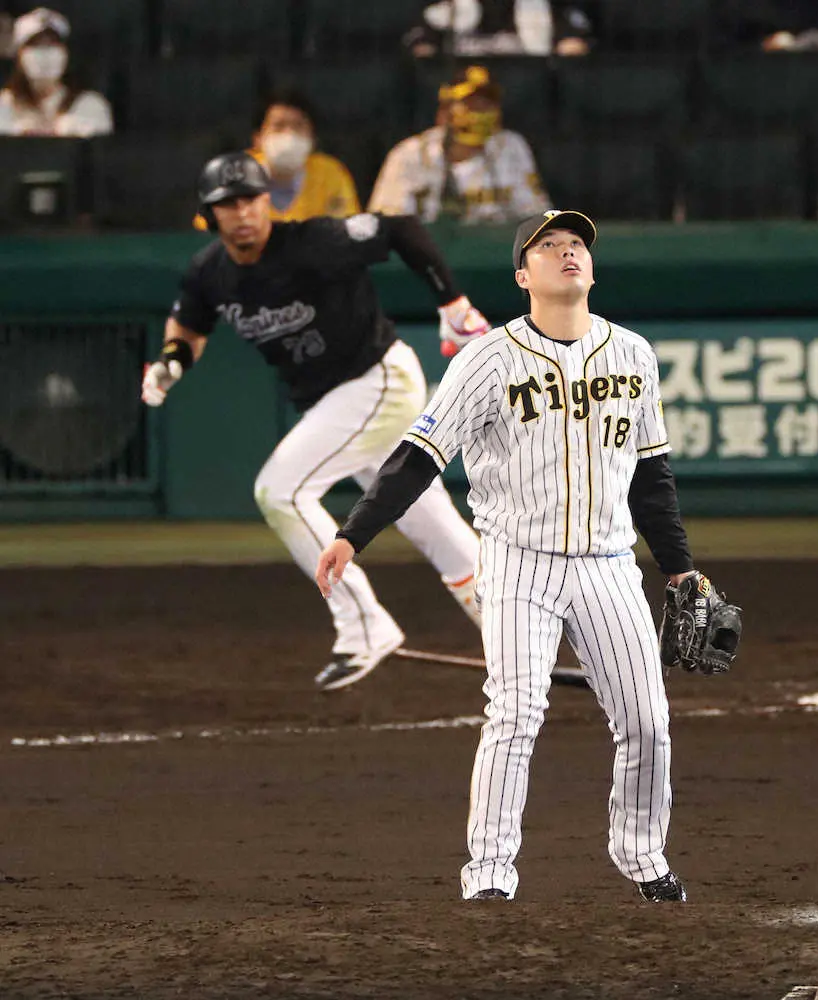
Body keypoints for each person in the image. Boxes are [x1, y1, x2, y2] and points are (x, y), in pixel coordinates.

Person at [317, 209, 701, 902]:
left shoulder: (632, 355)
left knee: (647, 721)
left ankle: (642, 854)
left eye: (577, 244)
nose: (567, 253)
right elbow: (419, 457)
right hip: (520, 562)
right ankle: (490, 873)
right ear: (524, 275)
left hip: (610, 565)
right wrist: (353, 533)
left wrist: (678, 565)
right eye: (548, 246)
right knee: (516, 714)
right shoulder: (487, 360)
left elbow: (653, 476)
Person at [143, 150, 491, 691]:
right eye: (227, 204)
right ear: (210, 215)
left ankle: (364, 626)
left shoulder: (312, 242)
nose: (242, 213)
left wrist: (453, 304)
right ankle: (518, 640)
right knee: (436, 530)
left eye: (251, 199)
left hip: (375, 381)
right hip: (341, 402)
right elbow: (189, 322)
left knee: (280, 491)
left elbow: (401, 228)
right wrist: (170, 362)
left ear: (268, 201)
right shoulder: (210, 270)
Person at [368, 64, 549, 225]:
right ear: (444, 110)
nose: (479, 111)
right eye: (469, 103)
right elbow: (387, 225)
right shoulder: (409, 154)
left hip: (496, 256)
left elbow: (535, 217)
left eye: (486, 103)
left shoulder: (511, 147)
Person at [194, 88, 359, 231]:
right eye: (279, 126)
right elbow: (207, 232)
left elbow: (346, 233)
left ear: (313, 139)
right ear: (257, 138)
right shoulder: (234, 172)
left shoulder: (332, 174)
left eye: (298, 126)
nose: (289, 135)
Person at [0, 6, 113, 136]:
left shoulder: (90, 105)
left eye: (52, 45)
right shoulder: (3, 106)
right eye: (35, 45)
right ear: (19, 56)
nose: (45, 54)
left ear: (66, 54)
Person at [403, 0, 596, 57]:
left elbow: (575, 40)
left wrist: (571, 45)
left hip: (524, 102)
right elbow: (420, 41)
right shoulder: (447, 7)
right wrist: (424, 51)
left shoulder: (548, 8)